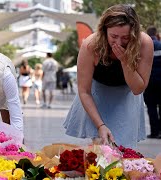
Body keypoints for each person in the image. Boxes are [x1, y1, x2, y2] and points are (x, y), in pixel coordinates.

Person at [64, 4, 154, 148]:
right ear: (104, 31)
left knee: (124, 148)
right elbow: (84, 91)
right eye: (113, 36)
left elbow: (137, 89)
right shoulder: (91, 45)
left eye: (125, 38)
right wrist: (100, 125)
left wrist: (125, 61)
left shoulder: (144, 43)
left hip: (126, 95)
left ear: (134, 33)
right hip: (95, 96)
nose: (118, 42)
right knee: (100, 151)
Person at [144, 26, 161, 139]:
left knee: (151, 106)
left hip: (150, 81)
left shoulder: (144, 46)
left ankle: (155, 132)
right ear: (156, 33)